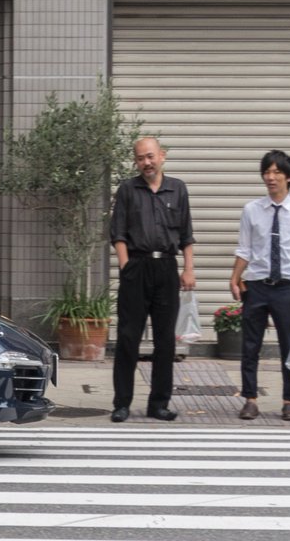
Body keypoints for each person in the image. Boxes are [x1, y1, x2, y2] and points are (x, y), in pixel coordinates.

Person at [108, 136, 196, 423]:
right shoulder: (127, 190)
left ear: (162, 156)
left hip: (167, 269)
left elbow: (186, 235)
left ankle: (159, 403)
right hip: (137, 268)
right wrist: (126, 267)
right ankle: (121, 403)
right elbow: (118, 233)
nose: (146, 162)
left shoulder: (178, 189)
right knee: (127, 339)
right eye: (140, 158)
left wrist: (189, 269)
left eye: (150, 156)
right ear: (136, 161)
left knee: (165, 341)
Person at [230, 149, 290, 421]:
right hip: (256, 285)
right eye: (267, 172)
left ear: (289, 177)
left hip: (287, 287)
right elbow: (244, 249)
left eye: (277, 172)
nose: (271, 177)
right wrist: (234, 278)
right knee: (250, 345)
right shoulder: (251, 210)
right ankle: (250, 399)